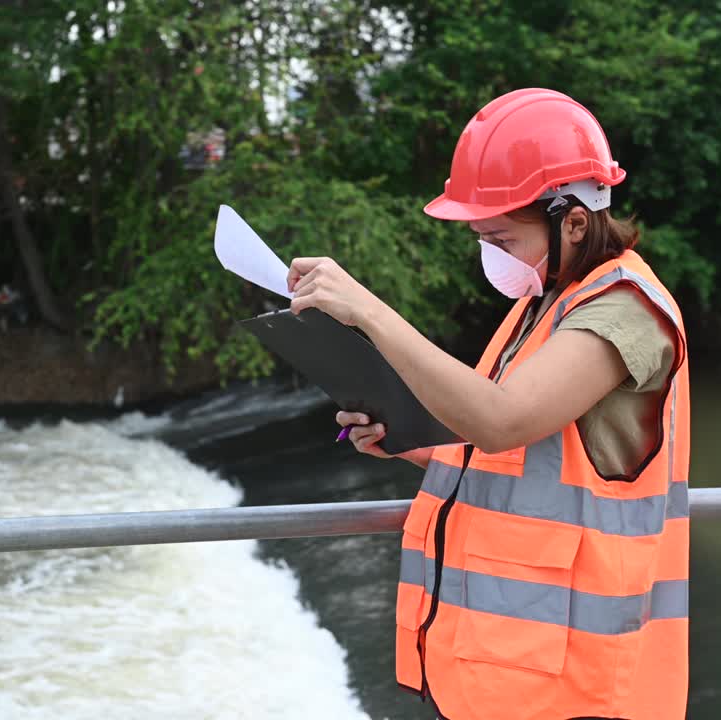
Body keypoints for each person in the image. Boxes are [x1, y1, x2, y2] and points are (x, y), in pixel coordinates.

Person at [286, 88, 689, 720]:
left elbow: (501, 422)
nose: (489, 254)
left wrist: (367, 309)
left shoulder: (625, 311)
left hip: (572, 685)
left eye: (499, 236)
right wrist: (409, 439)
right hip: (503, 670)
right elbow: (515, 460)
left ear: (575, 222)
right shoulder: (544, 304)